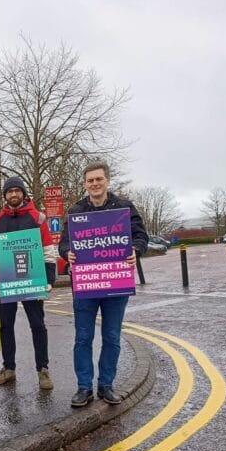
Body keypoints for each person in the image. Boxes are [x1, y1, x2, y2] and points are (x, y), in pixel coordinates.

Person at [59, 161, 148, 408]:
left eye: (99, 179)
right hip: (86, 284)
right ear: (85, 184)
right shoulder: (76, 211)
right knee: (83, 338)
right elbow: (64, 243)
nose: (95, 184)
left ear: (107, 180)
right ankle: (84, 388)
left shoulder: (124, 207)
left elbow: (141, 236)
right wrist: (68, 253)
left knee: (112, 337)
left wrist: (135, 250)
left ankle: (106, 385)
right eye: (90, 180)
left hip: (116, 283)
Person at [0, 177, 57, 391]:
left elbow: (48, 251)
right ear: (4, 196)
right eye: (9, 192)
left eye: (17, 191)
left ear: (24, 194)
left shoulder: (38, 218)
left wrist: (49, 280)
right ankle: (9, 368)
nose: (13, 195)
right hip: (5, 281)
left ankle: (43, 369)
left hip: (32, 281)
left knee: (38, 325)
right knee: (6, 326)